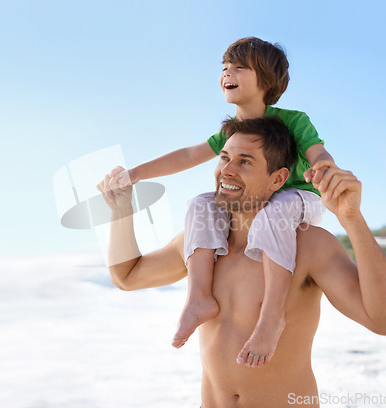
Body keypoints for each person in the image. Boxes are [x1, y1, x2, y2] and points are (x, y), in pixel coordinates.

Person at [97, 116, 386, 407]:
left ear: (278, 179)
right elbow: (127, 276)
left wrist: (352, 219)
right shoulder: (201, 246)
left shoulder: (308, 244)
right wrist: (120, 209)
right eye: (224, 158)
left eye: (245, 161)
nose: (228, 170)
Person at [110, 37, 335, 364]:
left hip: (299, 198)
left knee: (274, 213)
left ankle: (271, 315)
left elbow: (317, 151)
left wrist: (326, 169)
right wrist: (136, 173)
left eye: (240, 67)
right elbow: (189, 155)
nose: (228, 72)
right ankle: (198, 298)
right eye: (225, 67)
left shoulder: (293, 120)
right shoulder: (232, 130)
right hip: (259, 205)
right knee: (200, 203)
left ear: (267, 80)